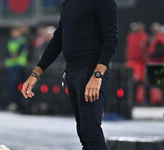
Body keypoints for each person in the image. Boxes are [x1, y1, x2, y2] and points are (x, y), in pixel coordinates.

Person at [22, 0, 118, 150]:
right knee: (83, 134)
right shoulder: (68, 3)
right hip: (73, 71)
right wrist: (35, 74)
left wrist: (97, 75)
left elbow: (111, 39)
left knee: (91, 132)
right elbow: (58, 39)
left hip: (91, 72)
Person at [5, 26, 28, 110]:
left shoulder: (22, 41)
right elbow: (7, 52)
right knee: (11, 85)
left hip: (19, 66)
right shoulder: (10, 41)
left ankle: (19, 103)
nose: (13, 33)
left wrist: (14, 55)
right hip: (11, 65)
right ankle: (13, 102)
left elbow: (19, 52)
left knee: (18, 85)